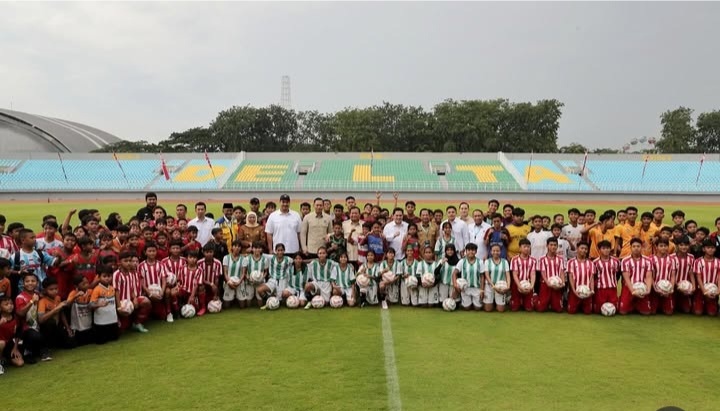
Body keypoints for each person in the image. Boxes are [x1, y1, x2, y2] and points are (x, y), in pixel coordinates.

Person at [113, 252, 151, 332]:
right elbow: (116, 291)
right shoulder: (117, 274)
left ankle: (137, 322)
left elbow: (131, 288)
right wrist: (119, 307)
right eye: (126, 261)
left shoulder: (130, 274)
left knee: (146, 302)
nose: (128, 263)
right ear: (119, 262)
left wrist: (134, 298)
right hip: (121, 303)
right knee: (122, 329)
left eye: (130, 261)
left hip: (129, 301)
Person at [619, 238, 653, 315]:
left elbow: (648, 276)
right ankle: (630, 303)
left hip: (642, 287)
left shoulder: (648, 260)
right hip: (629, 287)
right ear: (630, 248)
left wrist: (648, 290)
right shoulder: (625, 260)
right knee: (623, 312)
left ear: (642, 247)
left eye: (638, 246)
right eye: (634, 246)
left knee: (646, 312)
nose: (636, 248)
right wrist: (633, 291)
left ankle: (637, 305)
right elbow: (626, 278)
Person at [536, 238, 566, 313]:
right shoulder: (542, 259)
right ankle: (535, 297)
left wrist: (562, 282)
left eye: (555, 245)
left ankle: (553, 302)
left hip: (557, 285)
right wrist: (548, 283)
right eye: (551, 245)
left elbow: (561, 271)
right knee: (540, 309)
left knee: (558, 310)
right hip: (545, 284)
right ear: (547, 246)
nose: (553, 247)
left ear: (557, 246)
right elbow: (543, 273)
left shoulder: (560, 259)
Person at [258, 243, 291, 309]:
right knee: (259, 290)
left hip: (282, 281)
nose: (280, 252)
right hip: (272, 280)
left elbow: (299, 261)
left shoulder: (288, 259)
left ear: (284, 251)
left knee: (279, 302)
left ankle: (274, 301)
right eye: (278, 250)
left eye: (281, 250)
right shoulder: (271, 257)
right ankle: (268, 301)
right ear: (275, 251)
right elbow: (261, 253)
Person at [90, 266, 118, 344]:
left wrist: (117, 318)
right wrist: (98, 304)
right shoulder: (97, 289)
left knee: (114, 339)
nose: (107, 278)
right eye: (104, 276)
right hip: (101, 322)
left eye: (109, 276)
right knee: (101, 342)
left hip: (112, 320)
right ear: (99, 277)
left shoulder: (112, 288)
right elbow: (90, 305)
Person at [453, 242, 484, 311]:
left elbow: (482, 276)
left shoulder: (480, 262)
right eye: (469, 250)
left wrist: (482, 290)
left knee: (477, 308)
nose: (471, 252)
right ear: (466, 251)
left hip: (476, 288)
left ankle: (475, 302)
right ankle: (464, 302)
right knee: (467, 308)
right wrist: (455, 285)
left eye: (473, 250)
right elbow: (454, 273)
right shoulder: (462, 261)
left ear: (476, 251)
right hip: (465, 289)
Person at [566, 242, 595, 315]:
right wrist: (574, 291)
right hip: (575, 291)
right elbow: (571, 278)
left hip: (587, 292)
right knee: (571, 311)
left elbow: (591, 278)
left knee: (588, 312)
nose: (584, 250)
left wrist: (592, 290)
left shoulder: (591, 263)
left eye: (586, 249)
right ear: (577, 249)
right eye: (582, 248)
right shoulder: (570, 262)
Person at [693, 239, 719, 316]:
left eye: (712, 247)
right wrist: (704, 291)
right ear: (703, 249)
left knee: (712, 314)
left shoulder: (718, 262)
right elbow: (698, 277)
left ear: (715, 249)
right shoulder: (698, 261)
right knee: (698, 313)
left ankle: (712, 304)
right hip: (700, 289)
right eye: (708, 247)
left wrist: (718, 291)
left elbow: (719, 277)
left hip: (713, 290)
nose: (710, 249)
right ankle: (697, 303)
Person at [592, 240, 620, 314]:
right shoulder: (595, 262)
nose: (606, 250)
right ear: (599, 250)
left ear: (610, 249)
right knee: (597, 311)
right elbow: (594, 277)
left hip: (612, 289)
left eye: (608, 248)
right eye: (603, 248)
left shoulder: (616, 261)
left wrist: (612, 282)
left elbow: (617, 274)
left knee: (615, 309)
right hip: (600, 289)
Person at [650, 239, 676, 315]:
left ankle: (664, 305)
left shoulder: (672, 259)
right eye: (661, 246)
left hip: (667, 289)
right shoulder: (651, 259)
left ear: (668, 247)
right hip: (654, 289)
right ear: (656, 247)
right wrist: (655, 288)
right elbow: (650, 276)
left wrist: (670, 288)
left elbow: (673, 275)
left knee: (669, 312)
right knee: (652, 312)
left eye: (665, 246)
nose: (663, 248)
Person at [510, 239, 536, 312]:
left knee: (529, 309)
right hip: (517, 284)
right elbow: (514, 274)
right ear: (520, 248)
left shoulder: (533, 260)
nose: (527, 248)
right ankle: (514, 300)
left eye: (528, 247)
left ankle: (531, 297)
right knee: (514, 309)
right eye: (524, 247)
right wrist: (519, 286)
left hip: (528, 284)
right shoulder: (514, 259)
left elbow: (533, 274)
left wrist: (531, 286)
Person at [66, 275, 93, 346]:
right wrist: (75, 296)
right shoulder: (73, 293)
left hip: (88, 322)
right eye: (83, 284)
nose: (86, 285)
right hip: (78, 325)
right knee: (79, 343)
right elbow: (67, 304)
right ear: (76, 286)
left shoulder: (90, 291)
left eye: (87, 283)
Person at [483, 243, 511, 312]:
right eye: (494, 251)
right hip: (490, 286)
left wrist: (508, 286)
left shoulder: (505, 262)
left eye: (497, 251)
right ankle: (491, 300)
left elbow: (507, 275)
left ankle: (500, 300)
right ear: (491, 252)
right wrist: (494, 286)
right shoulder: (487, 261)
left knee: (501, 310)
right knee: (488, 309)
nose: (496, 252)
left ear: (500, 252)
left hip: (501, 287)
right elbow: (487, 275)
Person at [672, 237, 695, 314]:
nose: (684, 247)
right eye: (681, 245)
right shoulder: (671, 257)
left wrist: (693, 286)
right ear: (677, 246)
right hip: (674, 286)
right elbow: (672, 274)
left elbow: (691, 273)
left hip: (686, 286)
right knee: (670, 310)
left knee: (687, 310)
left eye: (686, 245)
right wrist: (677, 286)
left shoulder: (691, 257)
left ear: (689, 246)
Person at [198, 244, 223, 315]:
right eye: (207, 252)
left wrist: (215, 293)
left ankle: (214, 298)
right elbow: (199, 278)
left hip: (213, 287)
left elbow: (217, 278)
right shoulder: (199, 263)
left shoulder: (218, 263)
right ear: (203, 252)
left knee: (217, 304)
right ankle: (203, 307)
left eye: (211, 252)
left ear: (213, 252)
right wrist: (210, 284)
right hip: (203, 285)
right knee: (201, 286)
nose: (209, 254)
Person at [222, 240, 248, 309]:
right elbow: (225, 272)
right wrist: (229, 282)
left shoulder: (244, 259)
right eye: (235, 246)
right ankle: (232, 297)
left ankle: (236, 296)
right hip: (229, 282)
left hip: (239, 282)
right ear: (232, 247)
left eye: (239, 246)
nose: (237, 248)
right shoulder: (226, 257)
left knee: (242, 306)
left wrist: (239, 282)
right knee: (226, 306)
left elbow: (243, 273)